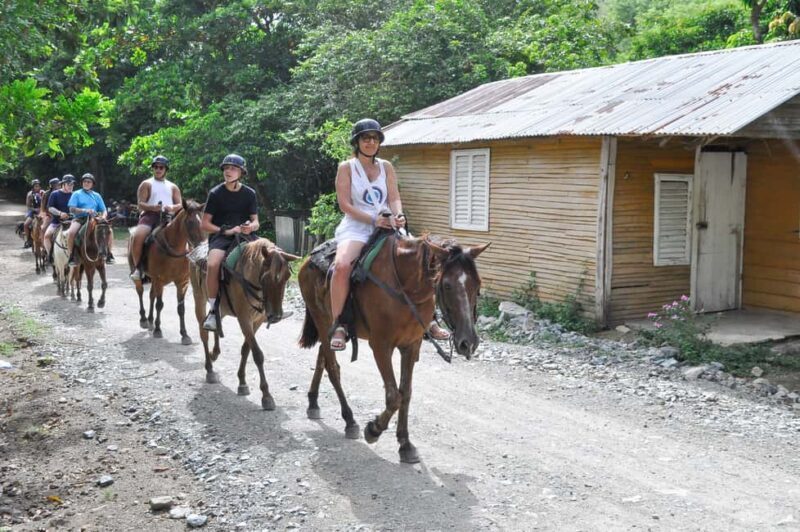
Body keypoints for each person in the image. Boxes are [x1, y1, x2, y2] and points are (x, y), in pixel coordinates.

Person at [327, 119, 452, 351]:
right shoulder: (346, 167)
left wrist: (399, 214)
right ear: (357, 142)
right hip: (358, 226)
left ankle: (430, 318)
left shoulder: (386, 167)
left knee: (423, 260)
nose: (371, 142)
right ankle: (339, 323)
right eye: (366, 138)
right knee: (342, 266)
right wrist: (374, 220)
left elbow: (393, 197)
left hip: (389, 223)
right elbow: (344, 204)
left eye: (375, 138)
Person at [199, 154, 259, 331]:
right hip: (222, 237)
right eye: (226, 168)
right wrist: (225, 230)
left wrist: (250, 227)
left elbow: (256, 221)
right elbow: (205, 224)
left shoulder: (250, 194)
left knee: (272, 256)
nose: (228, 171)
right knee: (213, 264)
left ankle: (272, 305)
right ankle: (213, 310)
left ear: (241, 172)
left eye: (233, 168)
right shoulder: (215, 193)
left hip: (246, 237)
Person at [128, 155, 183, 280]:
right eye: (156, 167)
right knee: (138, 236)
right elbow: (140, 204)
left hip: (169, 217)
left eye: (161, 167)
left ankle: (187, 266)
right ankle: (138, 268)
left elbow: (180, 204)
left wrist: (172, 208)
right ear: (152, 168)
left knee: (186, 234)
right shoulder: (146, 183)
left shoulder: (173, 186)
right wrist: (154, 208)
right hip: (150, 216)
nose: (158, 169)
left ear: (166, 169)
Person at [66, 173, 114, 266]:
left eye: (89, 182)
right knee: (71, 232)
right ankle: (72, 256)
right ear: (82, 183)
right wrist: (85, 210)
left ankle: (109, 254)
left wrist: (103, 217)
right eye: (85, 181)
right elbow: (71, 209)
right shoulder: (76, 194)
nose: (86, 183)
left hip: (95, 219)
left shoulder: (97, 195)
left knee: (109, 231)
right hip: (79, 219)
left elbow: (104, 210)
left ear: (92, 184)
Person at [43, 175, 75, 260]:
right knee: (47, 236)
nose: (70, 186)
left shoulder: (75, 195)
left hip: (73, 221)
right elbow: (50, 208)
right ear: (63, 184)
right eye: (68, 184)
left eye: (72, 184)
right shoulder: (55, 194)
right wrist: (60, 213)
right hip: (57, 221)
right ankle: (51, 256)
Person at [22, 179, 43, 248]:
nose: (37, 187)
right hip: (33, 212)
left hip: (42, 212)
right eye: (36, 186)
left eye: (38, 186)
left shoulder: (43, 193)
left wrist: (42, 209)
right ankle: (28, 240)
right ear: (33, 187)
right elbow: (28, 206)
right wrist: (35, 209)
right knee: (26, 224)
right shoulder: (30, 194)